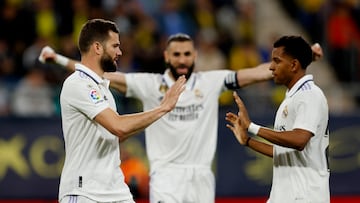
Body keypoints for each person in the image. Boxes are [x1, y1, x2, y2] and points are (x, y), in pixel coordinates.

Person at [39, 33, 323, 203]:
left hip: (201, 176)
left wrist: (305, 55)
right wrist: (60, 60)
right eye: (176, 54)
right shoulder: (149, 84)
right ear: (166, 56)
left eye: (187, 54)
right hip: (166, 175)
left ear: (195, 55)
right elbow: (98, 73)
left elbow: (260, 71)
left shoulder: (211, 81)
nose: (182, 59)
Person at [56, 19, 186, 203]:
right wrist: (163, 108)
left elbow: (115, 135)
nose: (120, 52)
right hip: (85, 192)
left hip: (115, 188)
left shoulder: (103, 89)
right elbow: (118, 126)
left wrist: (153, 116)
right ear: (98, 47)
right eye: (115, 46)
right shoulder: (78, 84)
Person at [226, 35, 329, 203]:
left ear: (294, 65)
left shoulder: (309, 95)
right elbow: (283, 152)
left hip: (304, 196)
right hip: (285, 195)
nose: (271, 67)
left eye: (277, 61)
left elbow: (299, 140)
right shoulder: (292, 97)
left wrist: (251, 126)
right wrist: (247, 140)